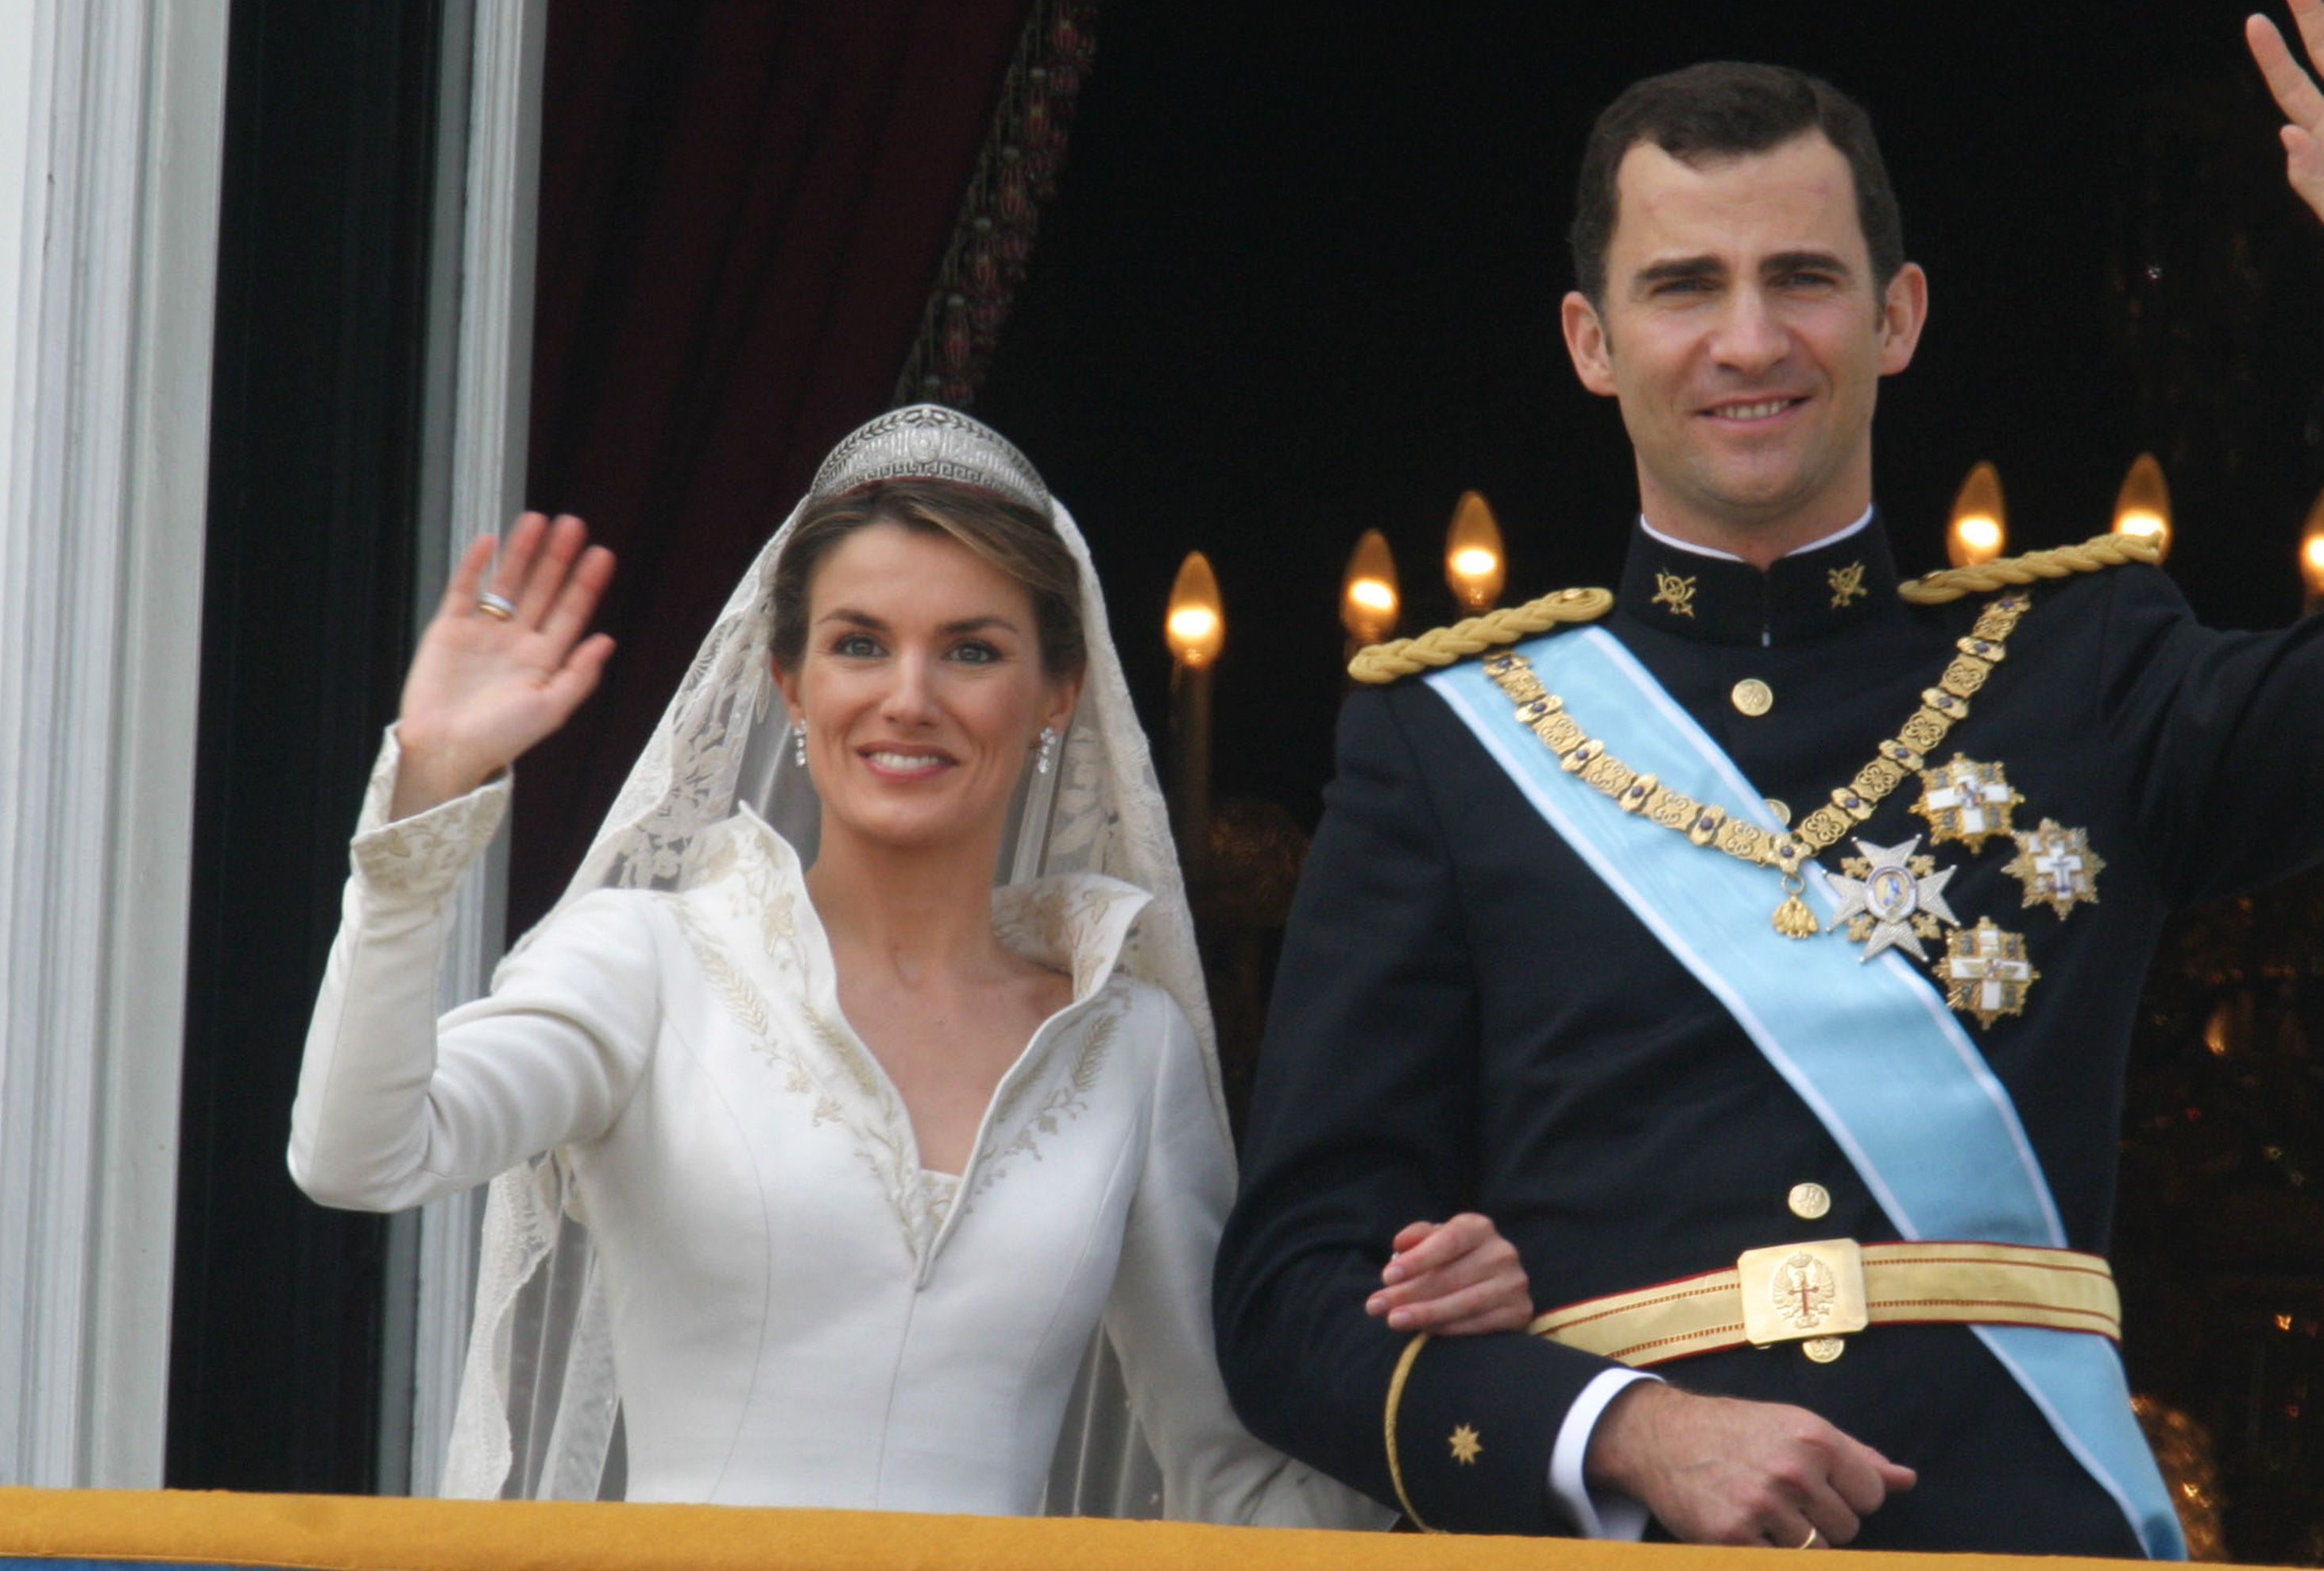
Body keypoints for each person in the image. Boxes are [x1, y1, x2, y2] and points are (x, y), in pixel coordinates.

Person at [1214, 0, 2324, 1556]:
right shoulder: (1451, 739)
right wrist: (1625, 1430)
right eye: (1685, 288)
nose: (1749, 338)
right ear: (1592, 343)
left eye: (1803, 278)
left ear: (1899, 315)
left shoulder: (2083, 672)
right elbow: (1290, 1302)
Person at [287, 407, 1530, 1515]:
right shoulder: (646, 962)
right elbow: (359, 1154)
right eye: (860, 644)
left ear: (1059, 694)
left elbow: (1231, 1478)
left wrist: (1430, 1365)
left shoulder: (1125, 1041)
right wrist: (424, 807)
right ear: (787, 681)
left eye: (974, 650)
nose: (909, 697)